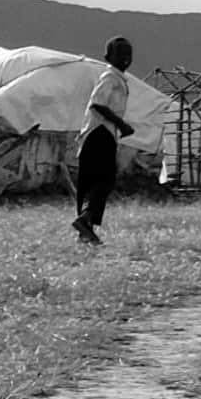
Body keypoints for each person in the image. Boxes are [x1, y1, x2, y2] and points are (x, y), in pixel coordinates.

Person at [73, 36, 137, 244]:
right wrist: (121, 124)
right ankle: (86, 219)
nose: (126, 57)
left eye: (128, 53)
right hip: (101, 133)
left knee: (91, 180)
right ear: (108, 56)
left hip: (99, 133)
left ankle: (85, 229)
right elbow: (98, 104)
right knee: (104, 179)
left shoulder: (118, 79)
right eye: (120, 53)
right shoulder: (110, 77)